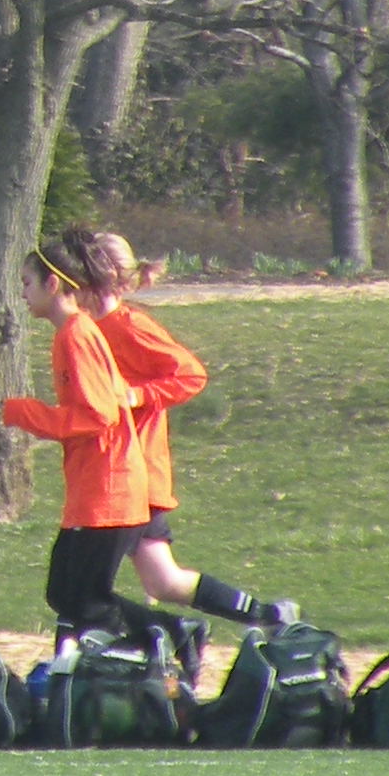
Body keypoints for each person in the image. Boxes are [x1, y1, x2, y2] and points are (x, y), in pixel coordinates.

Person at [71, 228, 297, 649]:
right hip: (122, 470)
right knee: (165, 580)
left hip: (130, 473)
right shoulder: (85, 328)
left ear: (93, 277)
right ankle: (266, 615)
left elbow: (190, 374)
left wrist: (139, 394)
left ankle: (159, 640)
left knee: (77, 589)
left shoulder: (130, 325)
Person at [2, 242, 149, 640]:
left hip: (108, 488)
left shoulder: (76, 336)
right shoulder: (72, 333)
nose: (22, 293)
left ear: (53, 284)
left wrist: (22, 413)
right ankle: (170, 631)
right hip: (92, 487)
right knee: (65, 592)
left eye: (27, 283)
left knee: (83, 601)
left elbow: (98, 415)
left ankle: (154, 643)